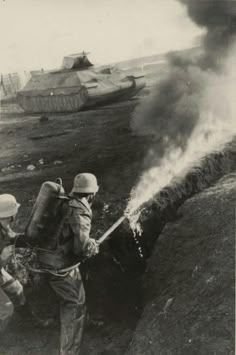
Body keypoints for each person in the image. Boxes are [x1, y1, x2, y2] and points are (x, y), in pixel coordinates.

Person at [41, 173, 100, 355]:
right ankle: (68, 351)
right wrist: (92, 245)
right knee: (74, 303)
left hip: (44, 258)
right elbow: (80, 248)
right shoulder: (81, 210)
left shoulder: (64, 201)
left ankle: (84, 322)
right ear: (91, 194)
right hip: (60, 266)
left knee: (73, 295)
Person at [0, 194, 25, 333]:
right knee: (6, 309)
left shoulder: (4, 226)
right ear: (11, 214)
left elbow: (13, 237)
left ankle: (23, 324)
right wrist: (2, 258)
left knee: (17, 290)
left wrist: (32, 238)